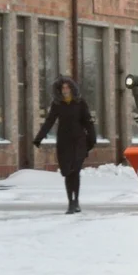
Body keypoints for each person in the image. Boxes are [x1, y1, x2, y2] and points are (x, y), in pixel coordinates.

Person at [33, 76, 96, 214]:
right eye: (63, 88)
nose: (65, 90)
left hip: (79, 141)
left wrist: (92, 139)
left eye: (67, 87)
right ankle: (70, 202)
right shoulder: (57, 105)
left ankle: (76, 201)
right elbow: (49, 121)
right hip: (64, 142)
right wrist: (39, 138)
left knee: (76, 171)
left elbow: (88, 122)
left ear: (72, 88)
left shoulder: (80, 103)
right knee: (68, 172)